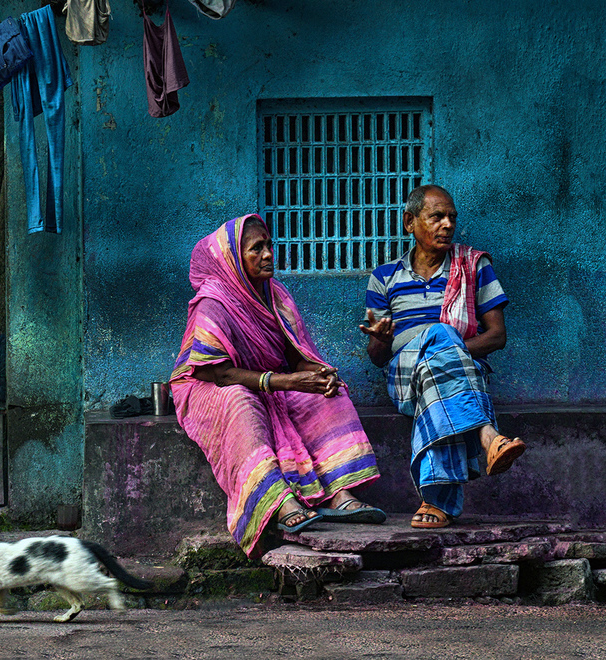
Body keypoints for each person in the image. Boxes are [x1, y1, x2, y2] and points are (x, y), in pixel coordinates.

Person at [169, 215, 385, 558]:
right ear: (233, 259)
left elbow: (294, 357)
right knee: (240, 402)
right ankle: (279, 502)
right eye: (257, 249)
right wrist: (284, 381)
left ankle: (339, 493)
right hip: (213, 386)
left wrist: (318, 375)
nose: (268, 254)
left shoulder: (276, 295)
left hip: (269, 381)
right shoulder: (214, 302)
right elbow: (220, 373)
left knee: (329, 394)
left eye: (269, 245)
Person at [360, 184, 524, 529]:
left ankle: (436, 502)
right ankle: (487, 435)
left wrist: (442, 350)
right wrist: (381, 340)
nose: (447, 225)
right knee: (442, 334)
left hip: (451, 374)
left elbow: (497, 335)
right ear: (410, 222)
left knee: (437, 367)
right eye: (436, 217)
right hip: (403, 376)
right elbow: (376, 357)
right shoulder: (384, 277)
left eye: (451, 217)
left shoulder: (474, 266)